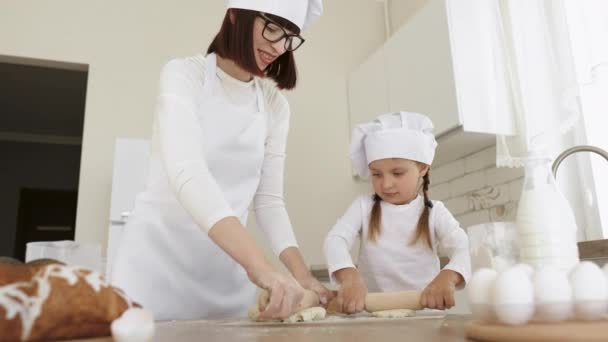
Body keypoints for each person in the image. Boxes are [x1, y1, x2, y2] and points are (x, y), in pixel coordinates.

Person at [111, 0, 332, 321]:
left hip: (227, 277)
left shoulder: (273, 105)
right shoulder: (185, 75)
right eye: (272, 28)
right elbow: (188, 173)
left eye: (289, 37)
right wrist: (262, 267)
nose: (279, 47)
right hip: (154, 270)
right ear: (234, 16)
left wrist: (301, 274)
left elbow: (269, 201)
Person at [323, 112, 471, 314]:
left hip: (425, 321)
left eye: (397, 173)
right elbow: (335, 239)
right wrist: (349, 276)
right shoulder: (363, 207)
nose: (386, 184)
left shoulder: (434, 212)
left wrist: (449, 276)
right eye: (376, 174)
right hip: (373, 319)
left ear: (422, 168)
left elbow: (464, 247)